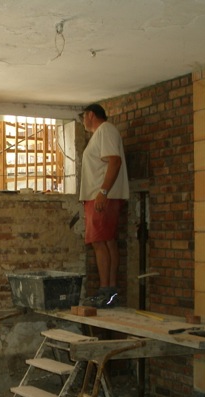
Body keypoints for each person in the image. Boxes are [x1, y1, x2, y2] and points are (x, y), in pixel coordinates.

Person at [79, 103, 130, 308]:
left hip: (101, 196)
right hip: (98, 196)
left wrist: (103, 192)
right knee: (106, 241)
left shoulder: (106, 130)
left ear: (90, 114)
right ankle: (108, 290)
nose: (83, 121)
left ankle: (106, 291)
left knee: (100, 241)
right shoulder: (99, 134)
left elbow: (114, 161)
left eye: (83, 116)